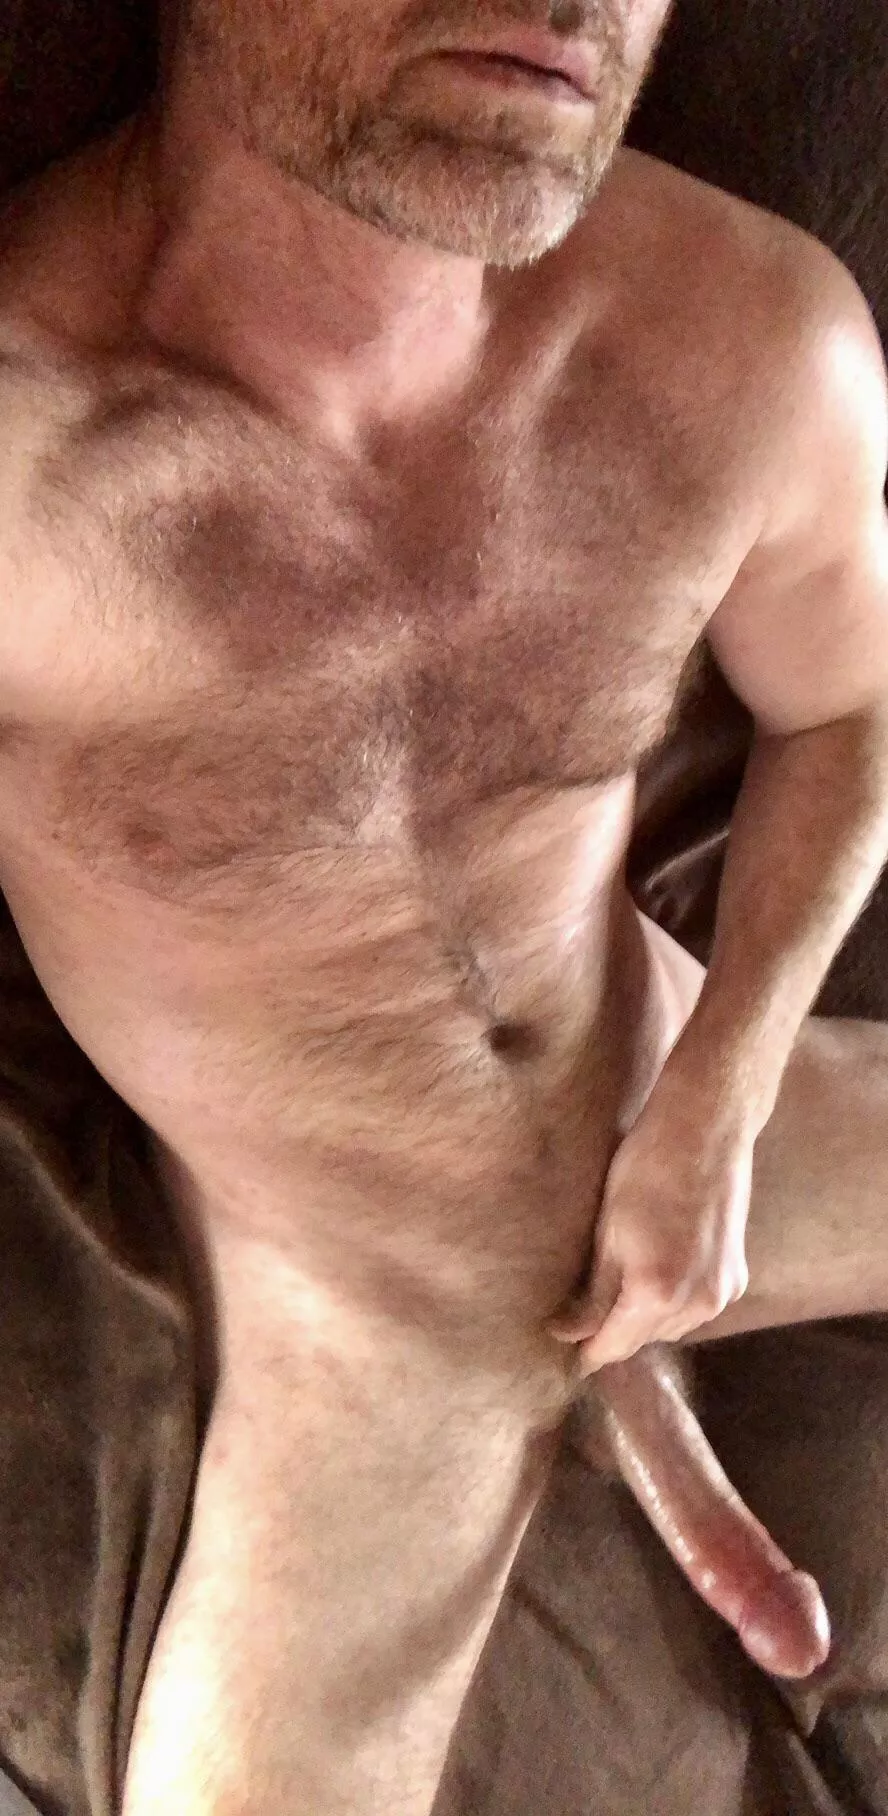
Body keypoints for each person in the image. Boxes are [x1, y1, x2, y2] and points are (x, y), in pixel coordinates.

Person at [0, 0, 887, 1808]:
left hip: (680, 1110)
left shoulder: (752, 337)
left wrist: (717, 1099)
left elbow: (850, 707)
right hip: (362, 1302)